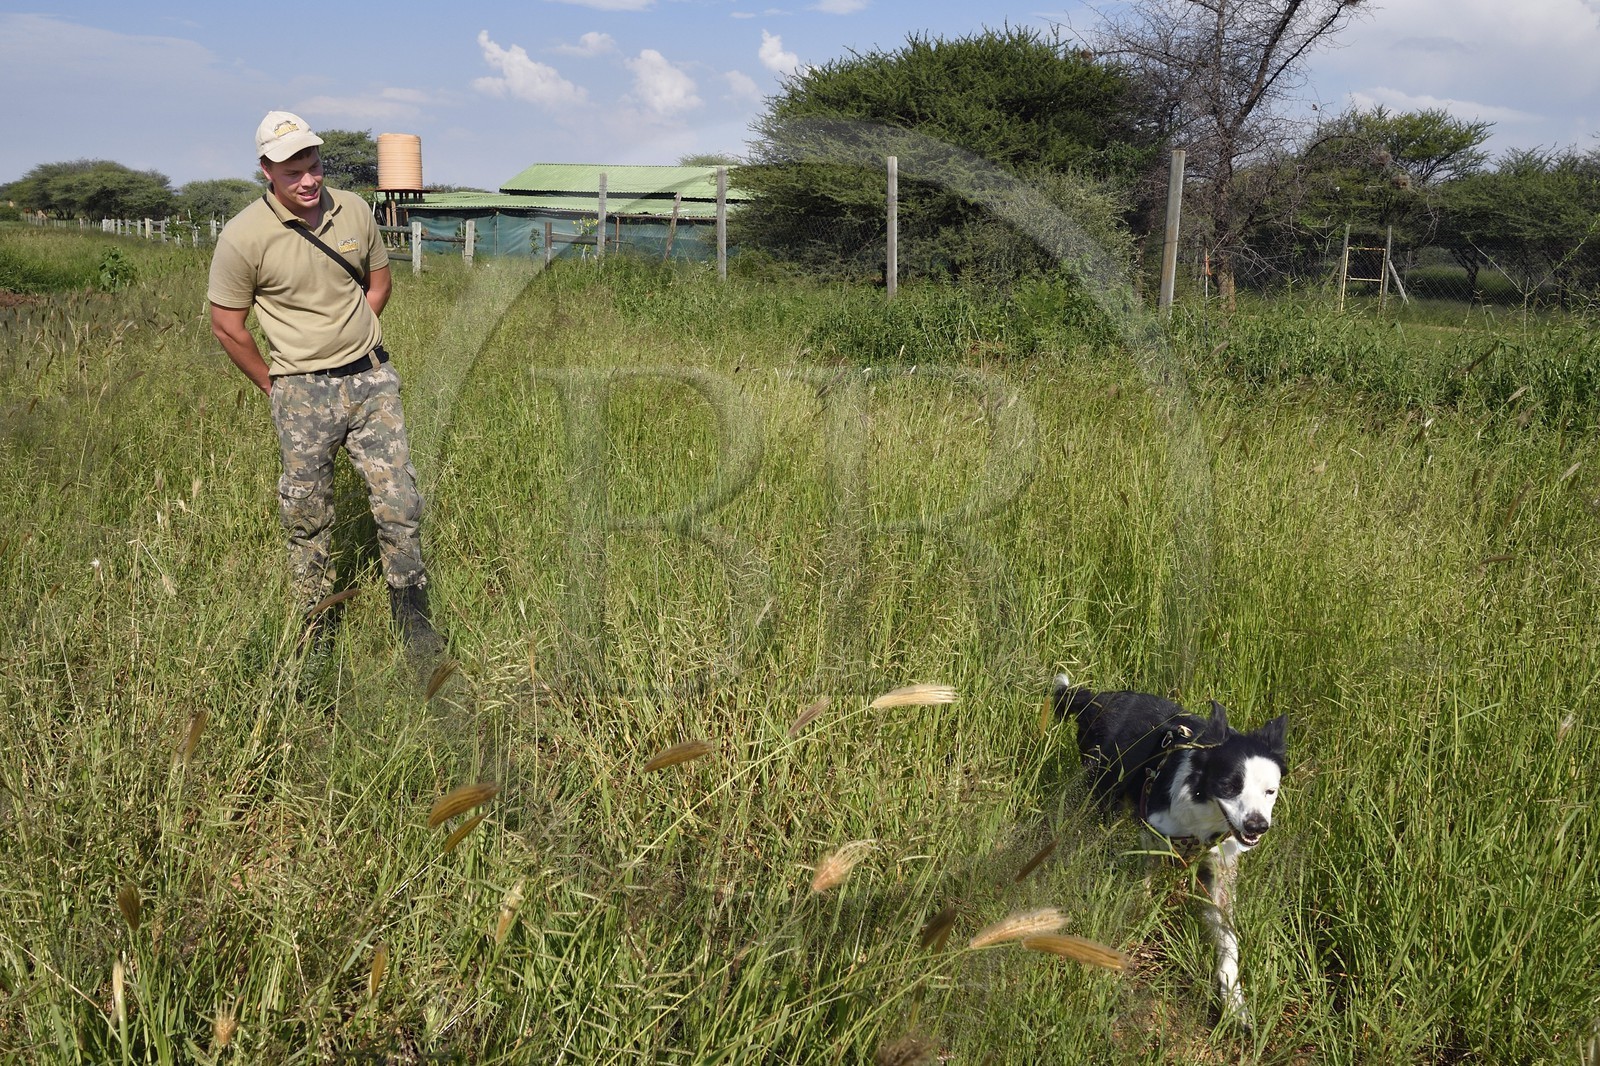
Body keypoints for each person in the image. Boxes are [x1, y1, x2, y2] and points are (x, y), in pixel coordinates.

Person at [208, 110, 444, 660]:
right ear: (267, 170)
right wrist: (277, 385)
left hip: (371, 380)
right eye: (293, 172)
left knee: (400, 500)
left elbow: (378, 284)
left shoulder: (355, 210)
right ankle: (317, 626)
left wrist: (351, 337)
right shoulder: (244, 236)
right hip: (300, 391)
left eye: (313, 166)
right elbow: (227, 325)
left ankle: (413, 617)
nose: (308, 180)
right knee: (308, 512)